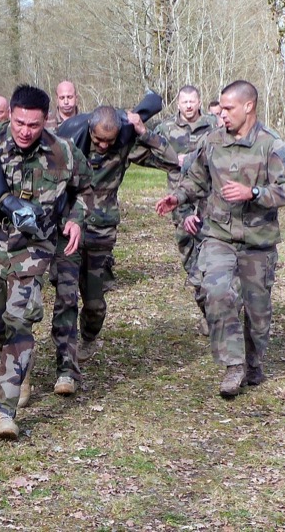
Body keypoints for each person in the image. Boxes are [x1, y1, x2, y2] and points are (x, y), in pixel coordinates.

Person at [0, 84, 91, 439]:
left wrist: (76, 218)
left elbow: (85, 189)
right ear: (9, 114)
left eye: (34, 125)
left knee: (19, 320)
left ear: (47, 120)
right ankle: (11, 370)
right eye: (19, 123)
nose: (26, 131)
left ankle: (4, 411)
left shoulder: (64, 153)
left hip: (33, 249)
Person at [155, 80, 285, 398]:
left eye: (229, 108)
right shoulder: (212, 142)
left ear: (249, 107)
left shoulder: (271, 145)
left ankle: (253, 361)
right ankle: (233, 365)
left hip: (257, 241)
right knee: (217, 292)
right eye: (220, 109)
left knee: (257, 310)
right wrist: (177, 198)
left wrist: (255, 193)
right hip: (218, 236)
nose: (222, 115)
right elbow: (195, 179)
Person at [49, 106, 179, 396]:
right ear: (90, 132)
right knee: (65, 298)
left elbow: (172, 160)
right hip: (68, 229)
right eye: (99, 140)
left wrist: (144, 132)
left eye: (110, 140)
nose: (104, 146)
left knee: (94, 304)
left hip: (101, 232)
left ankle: (89, 336)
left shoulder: (124, 146)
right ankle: (66, 370)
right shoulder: (72, 143)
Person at [153, 85, 218, 333]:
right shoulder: (166, 129)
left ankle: (218, 312)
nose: (189, 106)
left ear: (199, 101)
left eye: (192, 101)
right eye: (184, 102)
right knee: (190, 259)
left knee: (212, 256)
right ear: (178, 104)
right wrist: (172, 160)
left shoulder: (213, 125)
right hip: (179, 200)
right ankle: (205, 308)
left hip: (208, 201)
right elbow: (149, 150)